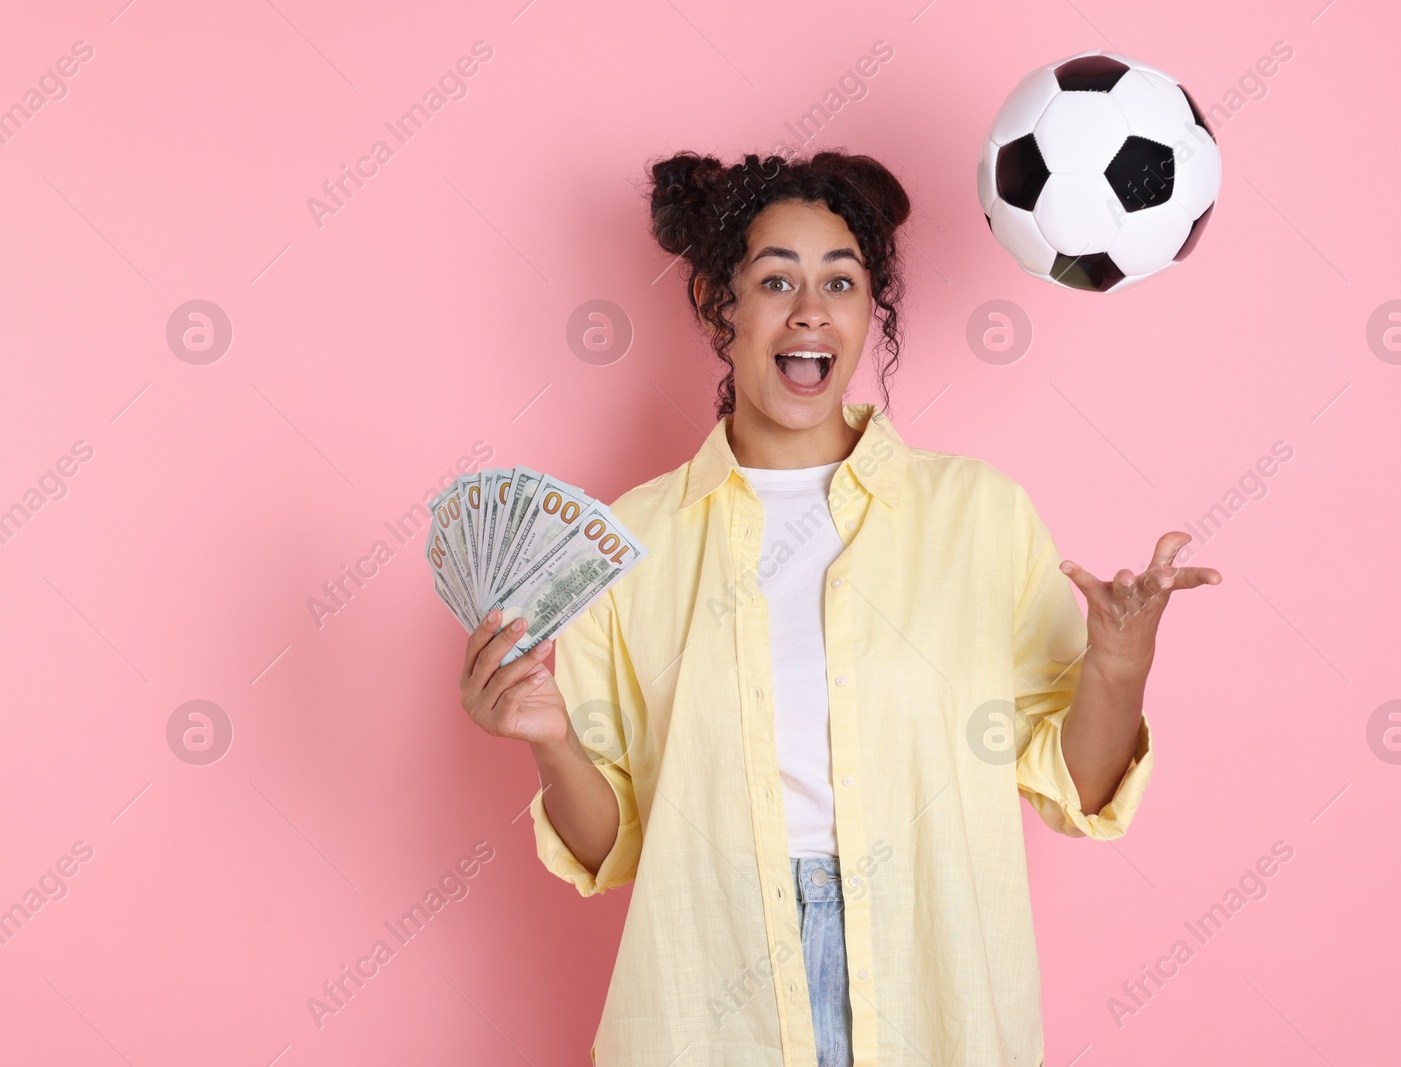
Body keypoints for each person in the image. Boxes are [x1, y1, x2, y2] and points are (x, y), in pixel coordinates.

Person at [456, 149, 1221, 1066]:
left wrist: (1119, 663)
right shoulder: (637, 542)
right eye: (775, 279)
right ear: (717, 305)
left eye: (842, 282)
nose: (810, 310)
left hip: (929, 973)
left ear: (869, 311)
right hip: (712, 993)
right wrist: (550, 738)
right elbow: (611, 843)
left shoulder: (976, 514)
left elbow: (1081, 787)